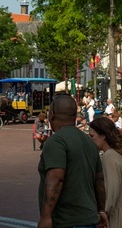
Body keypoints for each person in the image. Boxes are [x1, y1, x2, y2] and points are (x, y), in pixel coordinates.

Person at [38, 93, 106, 228]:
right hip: (89, 218)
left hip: (66, 220)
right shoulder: (88, 141)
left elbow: (56, 179)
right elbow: (99, 180)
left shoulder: (56, 141)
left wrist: (46, 217)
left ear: (52, 114)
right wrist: (101, 210)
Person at [86, 117, 122, 228]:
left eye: (92, 136)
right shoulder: (119, 153)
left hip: (120, 216)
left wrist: (104, 212)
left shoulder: (109, 157)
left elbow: (111, 191)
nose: (90, 140)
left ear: (103, 136)